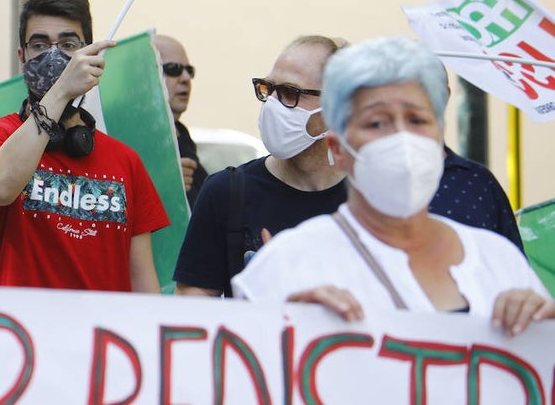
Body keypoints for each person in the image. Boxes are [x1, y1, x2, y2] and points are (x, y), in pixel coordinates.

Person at [233, 36, 553, 336]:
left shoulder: (499, 261)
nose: (402, 138)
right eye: (376, 123)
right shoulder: (288, 265)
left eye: (417, 120)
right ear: (338, 149)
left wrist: (540, 327)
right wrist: (287, 328)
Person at [0, 0, 169, 292]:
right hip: (26, 323)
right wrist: (60, 91)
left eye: (68, 44)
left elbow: (142, 282)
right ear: (22, 58)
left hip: (104, 325)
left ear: (89, 56)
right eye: (39, 45)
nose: (53, 56)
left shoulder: (125, 161)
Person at [174, 35, 346, 297]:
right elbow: (192, 307)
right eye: (268, 89)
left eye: (290, 93)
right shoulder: (226, 191)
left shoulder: (370, 199)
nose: (272, 104)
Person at [154, 34, 207, 207]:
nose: (186, 78)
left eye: (189, 70)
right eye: (174, 69)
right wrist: (157, 183)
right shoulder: (128, 135)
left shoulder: (181, 133)